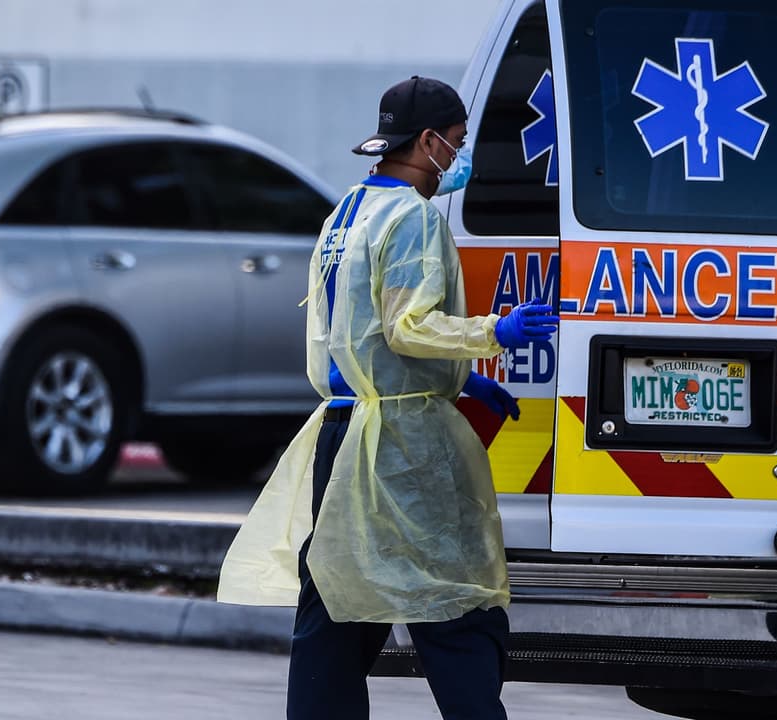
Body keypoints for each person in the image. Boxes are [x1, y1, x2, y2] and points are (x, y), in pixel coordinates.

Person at [216, 75, 560, 720]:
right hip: (401, 442)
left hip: (345, 430)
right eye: (455, 141)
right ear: (428, 142)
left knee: (338, 606)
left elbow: (354, 329)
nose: (458, 156)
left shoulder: (347, 212)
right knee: (455, 603)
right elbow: (408, 325)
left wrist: (458, 378)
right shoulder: (413, 217)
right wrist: (494, 333)